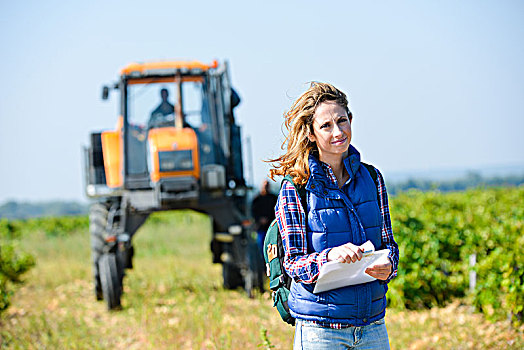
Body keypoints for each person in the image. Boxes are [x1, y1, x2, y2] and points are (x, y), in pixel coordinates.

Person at [268, 82, 399, 349]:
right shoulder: (296, 187)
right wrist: (329, 256)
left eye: (342, 121)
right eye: (326, 126)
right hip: (320, 331)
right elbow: (293, 263)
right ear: (311, 134)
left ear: (351, 120)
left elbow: (389, 246)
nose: (338, 131)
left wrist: (389, 267)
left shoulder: (373, 178)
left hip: (373, 325)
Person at [251, 179, 278, 253]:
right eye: (264, 185)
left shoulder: (274, 198)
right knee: (263, 249)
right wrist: (260, 220)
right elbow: (254, 212)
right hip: (261, 228)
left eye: (267, 185)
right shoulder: (257, 199)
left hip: (272, 228)